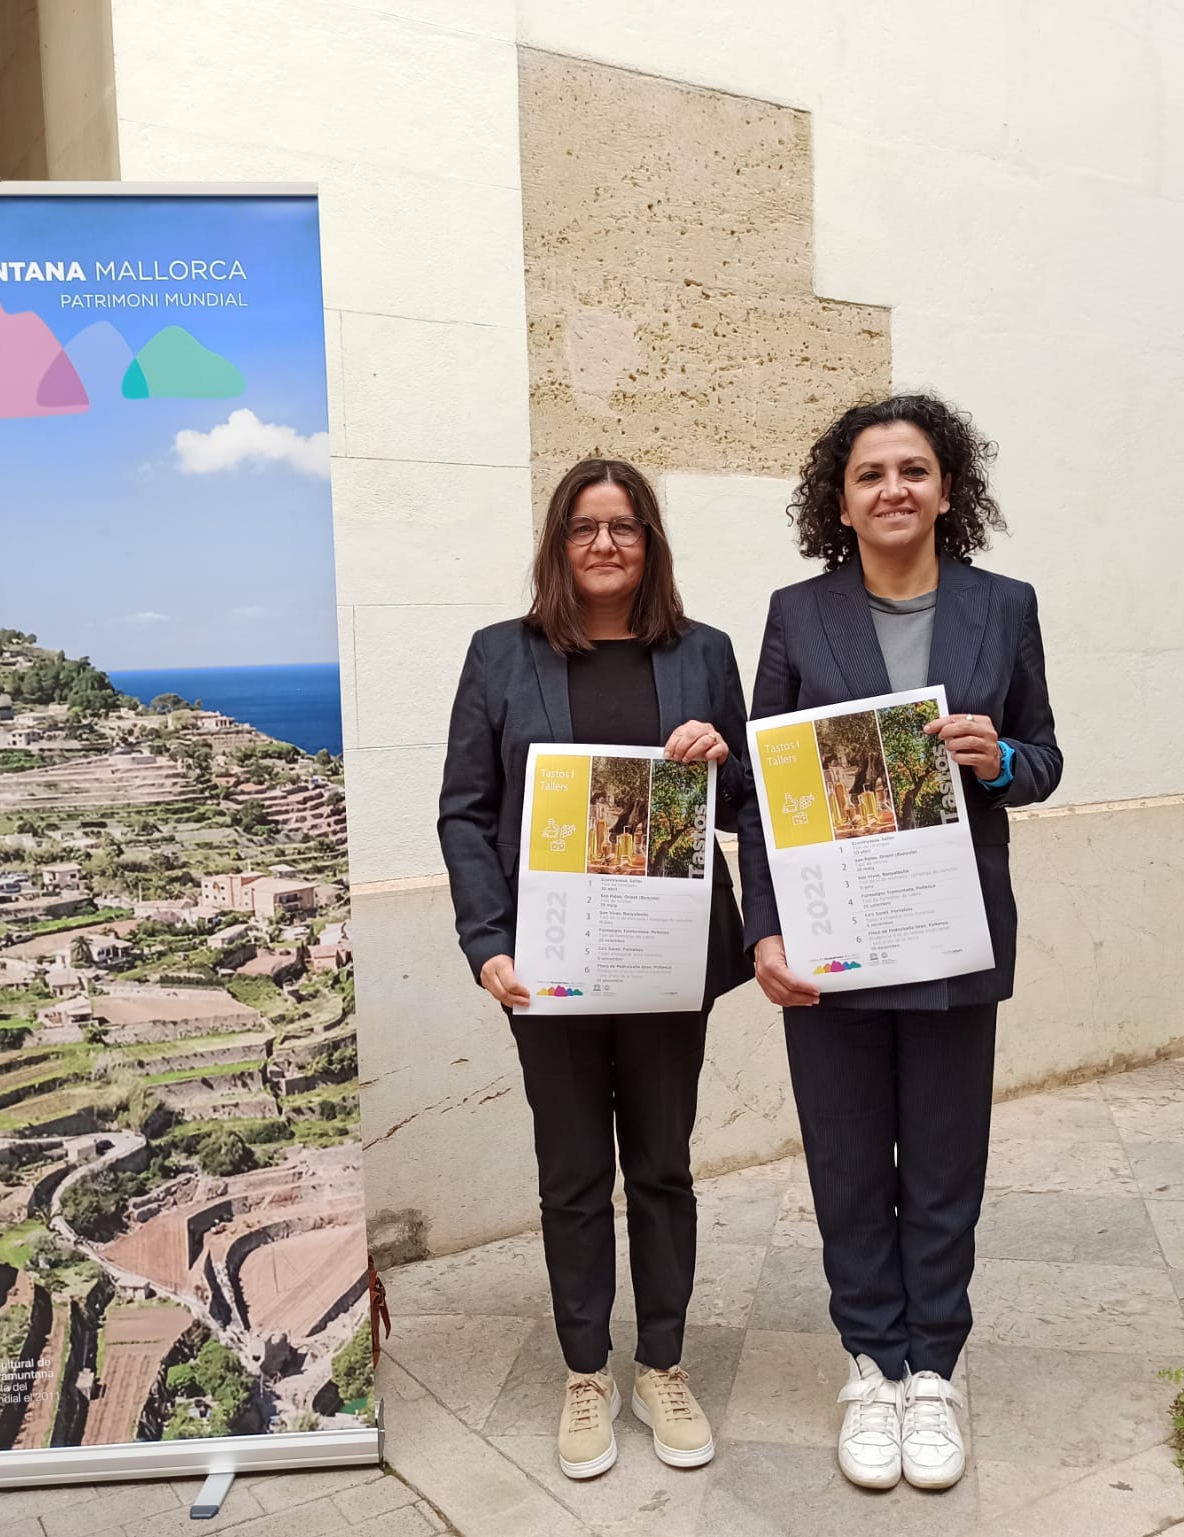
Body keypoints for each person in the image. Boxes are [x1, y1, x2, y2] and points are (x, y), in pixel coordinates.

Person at [735, 393, 1062, 1491]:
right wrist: (764, 931)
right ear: (839, 498)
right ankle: (870, 1364)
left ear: (947, 489)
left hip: (948, 931)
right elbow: (757, 795)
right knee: (841, 1158)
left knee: (940, 1160)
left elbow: (1045, 755)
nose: (892, 489)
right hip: (830, 943)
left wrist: (999, 761)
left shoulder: (1001, 606)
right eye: (869, 473)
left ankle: (935, 1369)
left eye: (912, 470)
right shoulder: (794, 612)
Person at [438, 458, 756, 1480]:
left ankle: (662, 1360)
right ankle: (586, 1370)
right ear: (557, 543)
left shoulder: (703, 654)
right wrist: (486, 939)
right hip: (547, 966)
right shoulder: (501, 655)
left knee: (661, 1164)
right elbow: (465, 810)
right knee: (572, 1173)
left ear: (649, 541)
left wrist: (720, 757)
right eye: (584, 527)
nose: (605, 544)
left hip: (666, 963)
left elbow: (745, 799)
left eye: (622, 526)